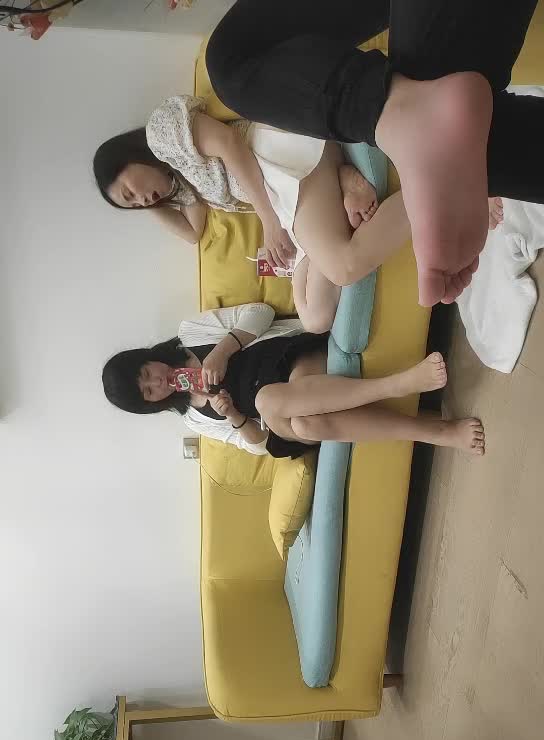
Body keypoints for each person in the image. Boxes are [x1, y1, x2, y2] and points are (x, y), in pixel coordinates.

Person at [205, 0, 543, 307]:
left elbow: (227, 143)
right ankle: (403, 116)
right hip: (291, 180)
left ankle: (401, 115)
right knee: (461, 131)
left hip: (281, 172)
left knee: (233, 59)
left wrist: (270, 219)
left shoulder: (180, 133)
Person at [93, 94, 411, 334]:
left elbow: (228, 142)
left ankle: (428, 192)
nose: (140, 200)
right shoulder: (183, 185)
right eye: (133, 205)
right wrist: (149, 207)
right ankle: (340, 185)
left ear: (127, 157)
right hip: (281, 200)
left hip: (278, 158)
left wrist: (269, 222)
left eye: (129, 192)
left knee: (343, 267)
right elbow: (192, 233)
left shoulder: (160, 134)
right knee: (315, 319)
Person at [102, 301, 485, 458]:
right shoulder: (195, 418)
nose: (158, 383)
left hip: (294, 360)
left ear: (147, 358)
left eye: (147, 374)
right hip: (279, 415)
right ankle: (399, 386)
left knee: (298, 417)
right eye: (149, 392)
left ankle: (434, 431)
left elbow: (260, 312)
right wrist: (233, 415)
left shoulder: (191, 334)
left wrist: (223, 350)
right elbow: (257, 445)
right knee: (279, 411)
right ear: (152, 404)